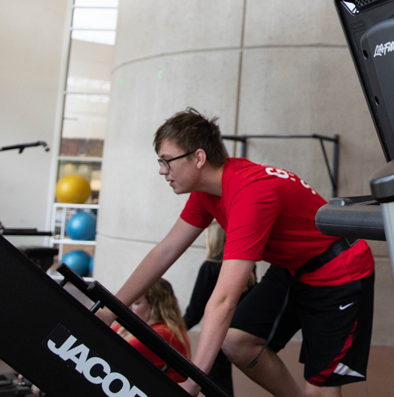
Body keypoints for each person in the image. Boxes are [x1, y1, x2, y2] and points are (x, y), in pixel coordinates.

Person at [103, 109, 375, 397]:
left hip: (339, 272)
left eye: (166, 160)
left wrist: (193, 383)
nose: (162, 170)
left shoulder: (250, 194)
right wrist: (109, 311)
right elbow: (165, 251)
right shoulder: (206, 192)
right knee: (236, 341)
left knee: (319, 390)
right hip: (293, 267)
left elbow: (224, 299)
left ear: (198, 158)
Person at [183, 222, 253, 396]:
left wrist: (175, 329)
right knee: (222, 384)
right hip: (239, 333)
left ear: (213, 239)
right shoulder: (247, 270)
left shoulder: (210, 267)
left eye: (206, 237)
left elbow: (194, 311)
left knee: (215, 384)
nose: (204, 242)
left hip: (217, 333)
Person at [113, 278, 193, 382]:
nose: (129, 307)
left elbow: (115, 352)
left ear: (155, 306)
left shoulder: (165, 333)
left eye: (136, 303)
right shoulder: (133, 325)